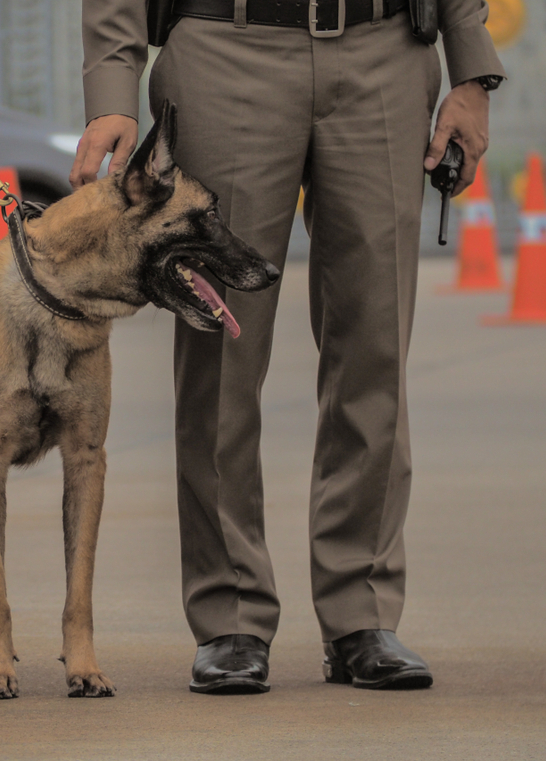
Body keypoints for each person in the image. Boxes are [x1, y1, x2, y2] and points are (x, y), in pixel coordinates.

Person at [71, 0, 504, 692]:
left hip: (384, 52)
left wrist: (472, 68)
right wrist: (113, 89)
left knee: (376, 343)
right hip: (224, 49)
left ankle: (360, 608)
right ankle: (229, 612)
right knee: (220, 353)